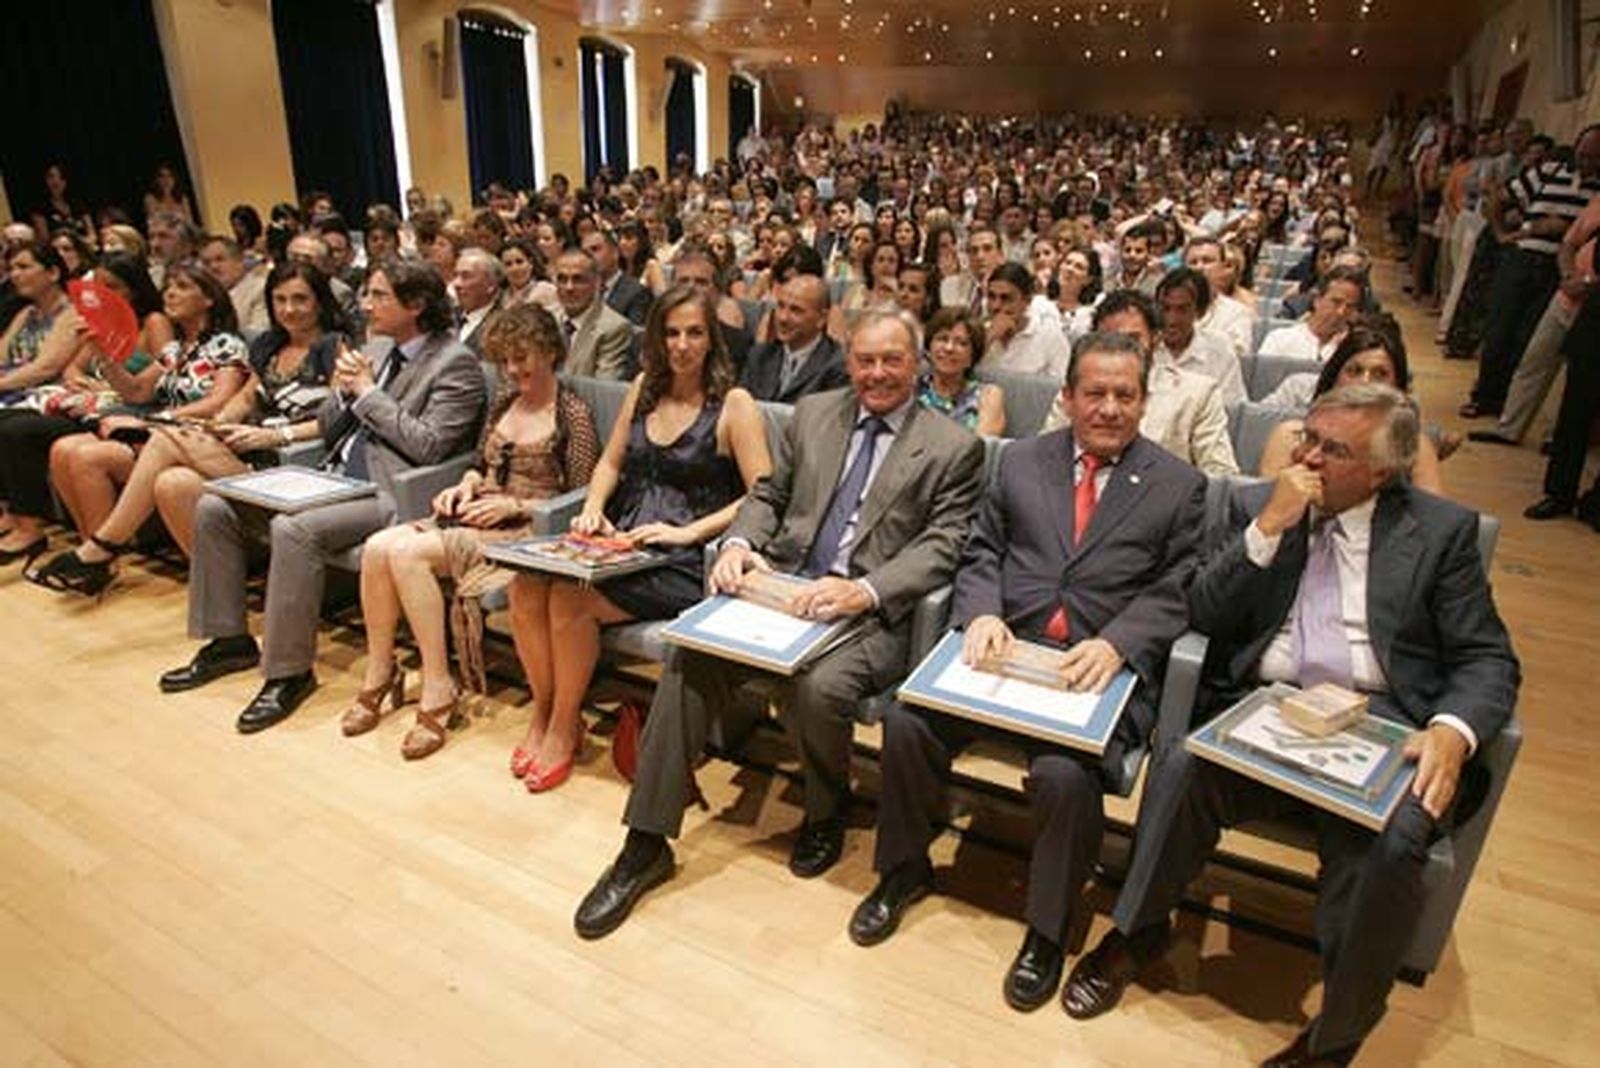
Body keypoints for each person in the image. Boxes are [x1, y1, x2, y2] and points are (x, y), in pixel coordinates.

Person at [1066, 384, 1520, 1067]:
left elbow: (1486, 657)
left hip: (1381, 723)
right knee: (1182, 769)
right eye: (1307, 436)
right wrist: (1268, 530)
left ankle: (1338, 1032)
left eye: (1333, 450)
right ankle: (1138, 930)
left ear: (1382, 470)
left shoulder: (1439, 533)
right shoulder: (1258, 504)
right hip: (1265, 707)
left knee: (1393, 841)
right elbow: (1203, 612)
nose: (1307, 457)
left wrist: (1453, 731)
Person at [573, 308, 985, 939]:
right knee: (690, 656)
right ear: (848, 362)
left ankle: (827, 810)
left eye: (892, 360)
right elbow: (767, 495)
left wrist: (863, 590)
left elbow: (943, 544)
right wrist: (739, 544)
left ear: (918, 364)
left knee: (820, 687)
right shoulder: (814, 414)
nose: (877, 373)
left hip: (869, 611)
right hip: (782, 591)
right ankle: (644, 843)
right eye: (865, 360)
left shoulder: (954, 446)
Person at [852, 331, 1205, 1013]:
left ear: (1144, 401)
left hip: (1093, 670)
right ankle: (903, 869)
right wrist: (981, 611)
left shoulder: (1178, 485)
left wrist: (1119, 643)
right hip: (1004, 653)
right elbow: (982, 549)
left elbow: (1180, 586)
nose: (1108, 408)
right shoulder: (1019, 461)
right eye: (1094, 393)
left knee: (1064, 777)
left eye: (1124, 395)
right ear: (1067, 397)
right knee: (906, 723)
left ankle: (1047, 929)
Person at [155, 261, 486, 734]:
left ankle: (288, 673)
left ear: (415, 305)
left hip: (393, 492)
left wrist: (367, 392)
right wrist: (343, 392)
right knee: (215, 506)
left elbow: (429, 445)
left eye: (379, 296)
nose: (366, 305)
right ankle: (228, 640)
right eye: (367, 294)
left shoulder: (454, 362)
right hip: (332, 476)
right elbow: (332, 427)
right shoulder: (377, 348)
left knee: (294, 529)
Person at [506, 285, 772, 790]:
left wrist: (688, 531)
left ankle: (563, 727)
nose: (682, 345)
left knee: (569, 600)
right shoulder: (645, 385)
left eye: (694, 333)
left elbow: (763, 494)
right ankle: (544, 712)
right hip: (625, 541)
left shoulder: (734, 404)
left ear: (712, 339)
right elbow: (610, 462)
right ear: (656, 338)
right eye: (671, 333)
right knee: (524, 587)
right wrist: (592, 507)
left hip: (685, 556)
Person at [349, 304, 601, 760]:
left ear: (549, 352)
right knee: (376, 547)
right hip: (478, 511)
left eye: (522, 357)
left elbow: (582, 498)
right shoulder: (504, 401)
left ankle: (438, 686)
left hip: (527, 529)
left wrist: (516, 505)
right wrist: (464, 485)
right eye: (505, 360)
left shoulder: (572, 414)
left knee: (407, 555)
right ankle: (380, 672)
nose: (513, 369)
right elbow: (479, 463)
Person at [27, 263, 343, 592]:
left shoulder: (334, 347)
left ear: (320, 302)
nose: (289, 309)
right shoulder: (268, 346)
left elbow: (335, 419)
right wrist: (218, 425)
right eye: (280, 300)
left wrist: (275, 435)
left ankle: (103, 547)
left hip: (294, 463)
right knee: (172, 482)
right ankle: (221, 599)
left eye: (300, 299)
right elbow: (242, 400)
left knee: (165, 437)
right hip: (248, 451)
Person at [33, 265, 250, 589]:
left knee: (88, 457)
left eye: (182, 287)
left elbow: (218, 401)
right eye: (168, 287)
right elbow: (136, 391)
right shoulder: (174, 349)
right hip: (160, 434)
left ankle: (102, 553)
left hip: (197, 439)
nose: (170, 293)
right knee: (64, 448)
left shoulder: (226, 345)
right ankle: (94, 552)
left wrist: (156, 420)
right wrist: (102, 354)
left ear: (208, 299)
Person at [1463, 125, 1600, 419]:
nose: (1585, 161)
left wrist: (1562, 230)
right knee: (1499, 329)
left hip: (1557, 268)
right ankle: (1484, 396)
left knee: (1526, 339)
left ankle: (1507, 403)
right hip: (1523, 257)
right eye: (1582, 153)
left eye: (1592, 157)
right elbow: (1499, 197)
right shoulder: (1550, 171)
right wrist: (1502, 233)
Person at [1043, 290, 1239, 476]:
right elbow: (1046, 456)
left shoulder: (1198, 394)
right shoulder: (1080, 391)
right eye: (1110, 338)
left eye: (1133, 339)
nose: (1121, 349)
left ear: (1156, 338)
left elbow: (1220, 475)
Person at [1258, 325, 1447, 495]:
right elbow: (1263, 505)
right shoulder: (1291, 436)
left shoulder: (1417, 447)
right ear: (1334, 376)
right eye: (1354, 371)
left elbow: (1430, 514)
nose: (1365, 382)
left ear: (1397, 387)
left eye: (1380, 374)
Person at [0, 242, 84, 560]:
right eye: (12, 268)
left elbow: (46, 368)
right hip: (16, 395)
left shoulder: (72, 313)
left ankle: (29, 528)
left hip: (51, 400)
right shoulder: (26, 314)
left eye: (24, 266)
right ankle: (6, 513)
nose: (15, 274)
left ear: (52, 272)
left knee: (10, 430)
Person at [738, 274, 846, 402]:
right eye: (780, 306)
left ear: (822, 318)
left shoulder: (838, 365)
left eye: (796, 310)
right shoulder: (759, 356)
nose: (783, 318)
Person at [1153, 268, 1246, 407]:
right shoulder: (1143, 347)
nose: (1171, 319)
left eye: (1182, 310)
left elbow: (1232, 407)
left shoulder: (1221, 350)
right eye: (1165, 308)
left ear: (1200, 311)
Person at [916, 307, 1004, 436]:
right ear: (929, 349)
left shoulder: (988, 395)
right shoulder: (910, 389)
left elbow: (983, 444)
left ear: (972, 357)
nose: (949, 348)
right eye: (942, 339)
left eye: (961, 343)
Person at [552, 249, 634, 379]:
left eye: (578, 279)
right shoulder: (548, 318)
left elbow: (603, 386)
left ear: (597, 282)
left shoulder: (614, 328)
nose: (569, 287)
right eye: (562, 279)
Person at [980, 262, 1072, 378]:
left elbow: (1061, 385)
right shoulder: (980, 334)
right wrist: (989, 338)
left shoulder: (1051, 338)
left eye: (1006, 298)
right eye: (991, 297)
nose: (996, 306)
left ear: (1027, 300)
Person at [1259, 266, 1366, 363]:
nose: (1341, 312)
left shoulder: (1356, 350)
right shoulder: (1280, 339)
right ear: (1317, 300)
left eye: (1350, 306)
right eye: (1336, 302)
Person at [199, 235, 271, 334]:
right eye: (206, 263)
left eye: (220, 259)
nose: (213, 267)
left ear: (239, 261)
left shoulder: (260, 289)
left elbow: (259, 333)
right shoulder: (202, 296)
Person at [581, 228, 653, 326]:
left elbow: (634, 333)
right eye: (584, 253)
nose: (589, 256)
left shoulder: (637, 293)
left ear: (615, 253)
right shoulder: (580, 290)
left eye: (595, 249)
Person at [452, 248, 504, 357]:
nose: (456, 284)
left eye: (466, 276)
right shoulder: (447, 317)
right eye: (455, 275)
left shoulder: (502, 325)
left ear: (490, 285)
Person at [500, 237, 559, 313]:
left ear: (530, 263)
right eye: (508, 264)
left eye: (519, 262)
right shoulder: (502, 298)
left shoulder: (547, 290)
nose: (515, 268)